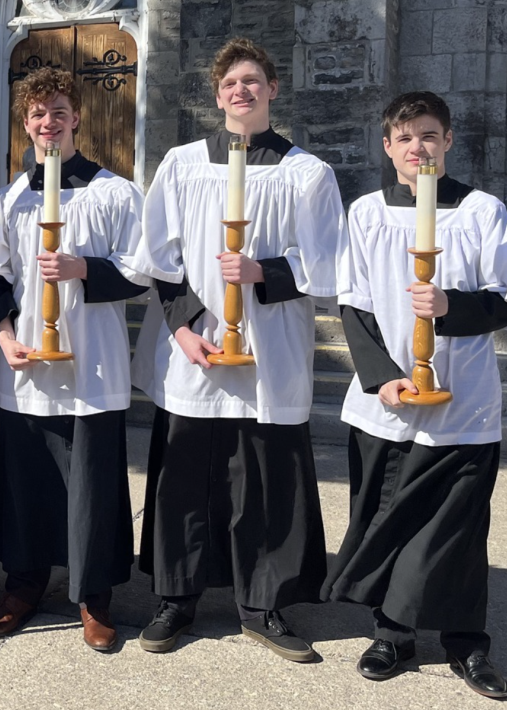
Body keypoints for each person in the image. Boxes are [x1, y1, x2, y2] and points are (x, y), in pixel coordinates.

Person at [126, 37, 344, 662]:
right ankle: (176, 598)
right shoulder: (183, 164)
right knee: (184, 480)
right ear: (217, 97)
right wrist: (183, 327)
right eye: (229, 84)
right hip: (195, 349)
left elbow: (328, 264)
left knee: (264, 482)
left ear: (272, 89)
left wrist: (263, 272)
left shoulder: (306, 173)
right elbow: (158, 259)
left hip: (270, 352)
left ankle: (263, 604)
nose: (240, 90)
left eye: (251, 81)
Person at [322, 91, 507, 699]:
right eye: (406, 137)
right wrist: (382, 375)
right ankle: (392, 635)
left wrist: (448, 306)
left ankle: (466, 643)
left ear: (448, 141)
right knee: (385, 520)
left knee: (458, 530)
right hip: (387, 402)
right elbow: (354, 301)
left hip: (463, 403)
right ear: (388, 147)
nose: (418, 147)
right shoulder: (367, 213)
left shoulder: (482, 211)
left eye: (429, 135)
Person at [0, 67, 147, 652]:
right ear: (25, 124)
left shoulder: (114, 192)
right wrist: (4, 336)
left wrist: (82, 268)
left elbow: (143, 271)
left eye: (57, 112)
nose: (47, 122)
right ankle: (23, 585)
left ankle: (93, 597)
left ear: (77, 118)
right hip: (24, 365)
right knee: (25, 481)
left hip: (91, 364)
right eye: (36, 114)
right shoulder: (10, 199)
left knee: (91, 484)